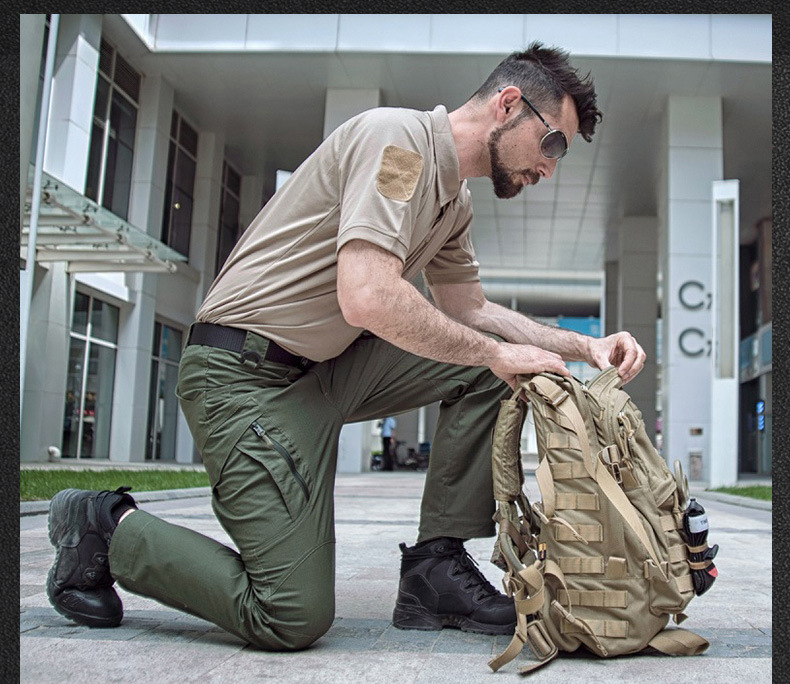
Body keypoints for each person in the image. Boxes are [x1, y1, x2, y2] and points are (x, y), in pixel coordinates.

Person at [46, 43, 646, 647]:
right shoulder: (399, 145)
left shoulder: (452, 201)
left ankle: (436, 569)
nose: (550, 168)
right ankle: (103, 525)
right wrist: (494, 352)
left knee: (492, 367)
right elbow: (367, 297)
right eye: (554, 144)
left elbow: (472, 310)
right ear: (508, 104)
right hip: (242, 377)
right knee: (290, 616)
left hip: (325, 370)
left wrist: (582, 346)